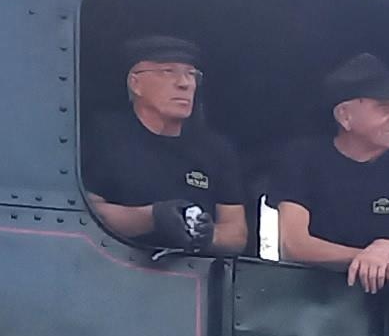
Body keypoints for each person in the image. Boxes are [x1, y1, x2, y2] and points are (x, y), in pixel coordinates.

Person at [266, 53, 389, 298]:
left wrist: (385, 248)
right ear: (345, 116)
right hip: (308, 302)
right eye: (384, 108)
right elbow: (294, 245)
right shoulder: (302, 157)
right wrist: (375, 262)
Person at [80, 35, 258, 254]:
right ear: (136, 83)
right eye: (168, 71)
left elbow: (236, 233)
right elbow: (87, 212)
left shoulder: (215, 149)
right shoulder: (103, 135)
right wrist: (153, 218)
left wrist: (210, 235)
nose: (185, 83)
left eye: (191, 74)